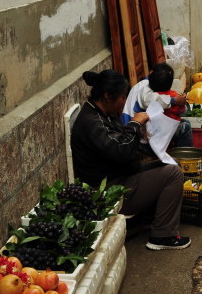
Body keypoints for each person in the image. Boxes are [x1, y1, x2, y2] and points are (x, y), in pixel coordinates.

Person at [71, 70, 190, 250]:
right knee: (172, 174)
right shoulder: (92, 123)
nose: (124, 101)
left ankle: (149, 220)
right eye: (122, 96)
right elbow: (122, 152)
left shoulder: (104, 113)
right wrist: (135, 124)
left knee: (170, 164)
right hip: (106, 192)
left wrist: (148, 137)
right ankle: (163, 235)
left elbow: (122, 144)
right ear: (107, 96)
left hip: (119, 177)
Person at [140, 63, 193, 148]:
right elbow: (182, 112)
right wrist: (183, 104)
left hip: (153, 129)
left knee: (186, 122)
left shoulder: (151, 94)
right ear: (171, 83)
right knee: (185, 127)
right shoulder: (173, 96)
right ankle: (185, 154)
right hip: (164, 130)